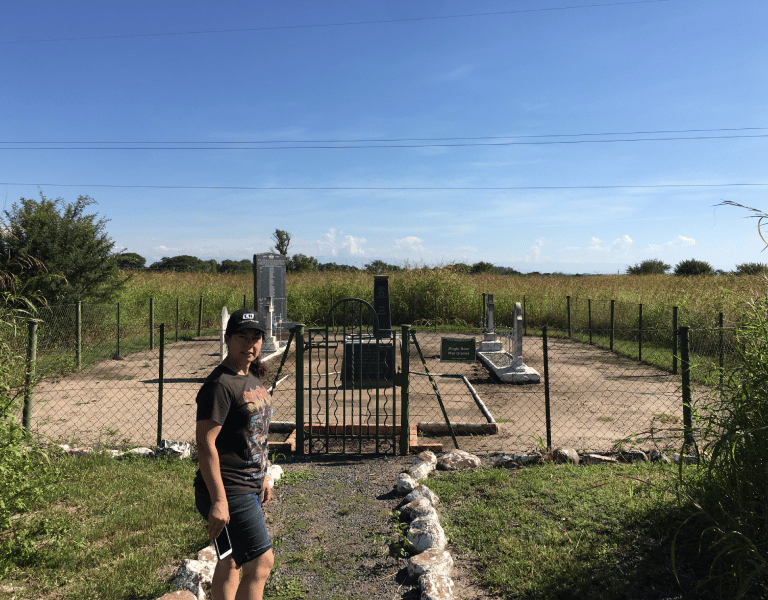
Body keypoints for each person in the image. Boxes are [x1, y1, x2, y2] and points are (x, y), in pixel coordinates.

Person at [194, 308, 274, 600]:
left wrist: (263, 475)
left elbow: (256, 434)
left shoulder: (251, 376)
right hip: (229, 489)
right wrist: (218, 500)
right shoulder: (220, 385)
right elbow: (205, 443)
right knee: (261, 562)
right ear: (227, 339)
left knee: (231, 559)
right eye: (242, 336)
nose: (250, 343)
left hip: (248, 484)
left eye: (256, 337)